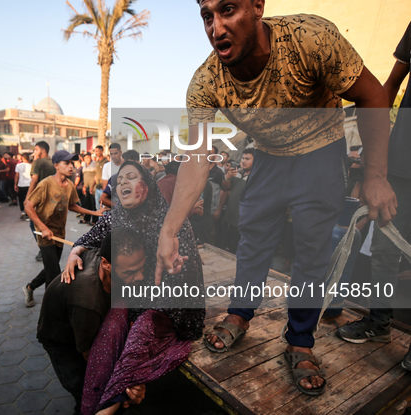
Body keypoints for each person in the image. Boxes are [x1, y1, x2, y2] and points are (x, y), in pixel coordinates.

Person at [155, 0, 397, 396]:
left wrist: (375, 176)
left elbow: (372, 96)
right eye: (207, 16)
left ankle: (300, 340)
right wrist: (170, 229)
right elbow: (197, 159)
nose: (216, 27)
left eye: (228, 9)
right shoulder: (206, 82)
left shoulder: (309, 38)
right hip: (268, 153)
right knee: (253, 239)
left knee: (311, 249)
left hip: (321, 148)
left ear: (257, 7)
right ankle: (239, 314)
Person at [63, 160, 205, 338]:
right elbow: (87, 239)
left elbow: (188, 278)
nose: (123, 182)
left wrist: (147, 315)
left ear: (149, 184)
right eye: (120, 179)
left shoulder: (173, 222)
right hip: (130, 299)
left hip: (168, 307)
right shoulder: (115, 217)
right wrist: (75, 253)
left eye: (131, 177)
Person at [338, 22, 411, 357]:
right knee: (385, 250)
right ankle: (379, 323)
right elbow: (390, 85)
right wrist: (374, 149)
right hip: (402, 159)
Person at [37, 228, 144, 415]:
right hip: (60, 338)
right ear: (106, 264)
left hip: (81, 317)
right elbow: (89, 354)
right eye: (131, 271)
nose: (140, 276)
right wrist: (114, 381)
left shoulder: (103, 254)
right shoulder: (87, 301)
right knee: (84, 387)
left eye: (141, 267)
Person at [22, 150, 106, 307]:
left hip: (59, 233)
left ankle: (30, 287)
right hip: (44, 234)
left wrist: (93, 212)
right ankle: (51, 308)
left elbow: (72, 205)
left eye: (72, 163)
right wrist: (43, 227)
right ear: (56, 165)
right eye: (66, 163)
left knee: (50, 267)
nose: (71, 167)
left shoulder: (69, 185)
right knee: (54, 273)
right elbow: (28, 206)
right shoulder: (46, 183)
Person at [221, 148, 254, 253]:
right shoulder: (238, 172)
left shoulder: (256, 177)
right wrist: (227, 177)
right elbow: (226, 187)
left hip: (245, 221)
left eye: (247, 159)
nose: (244, 161)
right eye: (243, 158)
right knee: (230, 247)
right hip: (232, 219)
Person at [27, 141, 56, 261]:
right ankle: (52, 247)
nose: (34, 153)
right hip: (54, 198)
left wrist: (28, 198)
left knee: (34, 224)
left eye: (36, 150)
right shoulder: (55, 163)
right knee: (50, 224)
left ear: (43, 150)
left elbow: (34, 180)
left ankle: (43, 249)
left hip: (41, 200)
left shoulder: (37, 162)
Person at [15, 152, 32, 220]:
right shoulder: (31, 166)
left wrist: (15, 184)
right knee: (28, 199)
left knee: (21, 199)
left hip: (21, 184)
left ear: (22, 158)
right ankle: (28, 214)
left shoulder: (18, 165)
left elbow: (17, 176)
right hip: (29, 185)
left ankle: (22, 211)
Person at [93, 145, 108, 213]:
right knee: (97, 207)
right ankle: (99, 222)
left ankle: (103, 223)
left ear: (102, 151)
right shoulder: (97, 162)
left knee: (103, 208)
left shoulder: (106, 162)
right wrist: (92, 186)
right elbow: (96, 175)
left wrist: (105, 187)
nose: (96, 153)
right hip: (97, 188)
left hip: (103, 189)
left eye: (97, 151)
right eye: (95, 151)